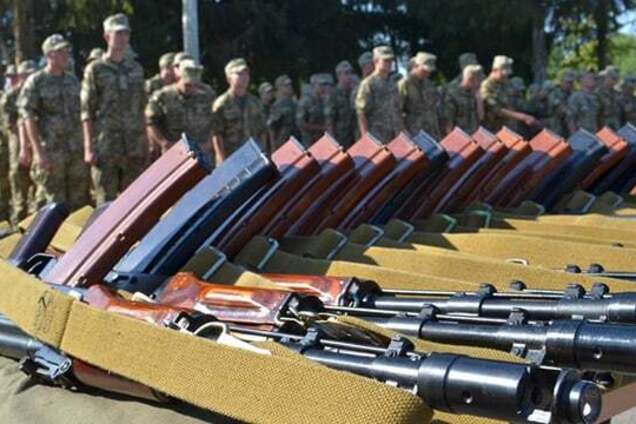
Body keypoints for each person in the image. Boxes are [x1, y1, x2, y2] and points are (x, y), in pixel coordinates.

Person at [81, 13, 146, 205]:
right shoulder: (95, 69)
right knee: (105, 203)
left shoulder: (136, 69)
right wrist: (88, 148)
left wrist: (144, 141)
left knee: (134, 202)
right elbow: (86, 111)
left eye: (125, 33)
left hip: (132, 146)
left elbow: (141, 107)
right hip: (106, 146)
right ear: (106, 36)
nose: (122, 38)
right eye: (118, 33)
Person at [18, 34, 88, 211]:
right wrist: (38, 152)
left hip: (74, 152)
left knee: (78, 203)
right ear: (49, 55)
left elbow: (81, 113)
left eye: (66, 51)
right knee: (51, 206)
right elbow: (27, 117)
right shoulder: (36, 81)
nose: (66, 55)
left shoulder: (72, 80)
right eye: (60, 52)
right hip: (50, 153)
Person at [145, 59, 216, 164]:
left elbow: (217, 122)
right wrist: (163, 142)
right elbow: (150, 122)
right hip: (173, 154)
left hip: (201, 153)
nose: (191, 89)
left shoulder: (207, 96)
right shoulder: (163, 96)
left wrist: (209, 142)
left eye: (195, 85)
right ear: (179, 78)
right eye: (187, 85)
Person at [1, 60, 36, 224]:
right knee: (18, 183)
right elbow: (11, 125)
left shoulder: (35, 91)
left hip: (34, 140)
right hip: (16, 142)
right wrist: (25, 142)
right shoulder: (11, 96)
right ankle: (17, 222)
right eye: (26, 74)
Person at [212, 58, 266, 161]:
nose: (244, 77)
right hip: (231, 158)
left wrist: (262, 154)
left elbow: (262, 131)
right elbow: (216, 135)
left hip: (253, 157)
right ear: (229, 78)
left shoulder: (255, 102)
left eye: (246, 73)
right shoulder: (221, 104)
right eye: (239, 74)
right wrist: (222, 161)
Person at [355, 45, 402, 142]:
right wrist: (365, 138)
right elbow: (361, 113)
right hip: (376, 136)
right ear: (376, 61)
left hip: (394, 136)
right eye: (385, 61)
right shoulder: (368, 83)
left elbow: (397, 110)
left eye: (390, 61)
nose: (389, 64)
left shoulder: (392, 84)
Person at [480, 55, 538, 133]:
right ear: (494, 70)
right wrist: (522, 117)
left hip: (510, 130)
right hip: (495, 131)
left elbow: (516, 102)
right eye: (503, 74)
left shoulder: (507, 84)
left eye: (507, 74)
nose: (506, 76)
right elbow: (496, 109)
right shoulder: (486, 86)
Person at [398, 52, 441, 139]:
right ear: (416, 66)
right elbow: (397, 111)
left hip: (432, 133)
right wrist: (403, 131)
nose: (427, 74)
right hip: (414, 133)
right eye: (424, 71)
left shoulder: (429, 85)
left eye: (429, 72)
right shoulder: (404, 84)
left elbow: (434, 109)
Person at [443, 64, 484, 135]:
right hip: (459, 136)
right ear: (470, 79)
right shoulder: (452, 94)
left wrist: (478, 98)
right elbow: (448, 121)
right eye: (478, 80)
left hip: (473, 135)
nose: (479, 83)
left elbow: (481, 117)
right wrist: (450, 139)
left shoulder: (474, 94)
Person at [326, 60, 356, 147]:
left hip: (354, 138)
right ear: (339, 75)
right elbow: (329, 122)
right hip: (341, 140)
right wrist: (333, 143)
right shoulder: (333, 95)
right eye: (346, 73)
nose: (349, 76)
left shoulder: (354, 92)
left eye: (351, 73)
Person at [297, 73, 331, 146]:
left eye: (324, 85)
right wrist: (320, 128)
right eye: (320, 85)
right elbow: (300, 123)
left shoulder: (324, 100)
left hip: (323, 140)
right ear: (313, 86)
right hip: (309, 142)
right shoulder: (306, 102)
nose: (323, 88)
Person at [268, 74, 299, 150]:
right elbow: (271, 126)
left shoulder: (293, 103)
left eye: (290, 84)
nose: (290, 87)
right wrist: (273, 147)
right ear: (280, 88)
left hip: (296, 141)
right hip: (283, 143)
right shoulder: (278, 105)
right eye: (286, 85)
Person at [546, 69, 576, 136]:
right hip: (556, 124)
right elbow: (559, 108)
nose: (569, 85)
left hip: (569, 125)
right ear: (562, 81)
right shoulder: (554, 93)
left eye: (571, 83)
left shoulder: (574, 95)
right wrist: (568, 112)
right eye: (567, 82)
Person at [596, 66, 621, 130]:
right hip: (603, 127)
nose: (615, 81)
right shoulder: (598, 93)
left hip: (616, 125)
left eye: (616, 79)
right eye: (613, 78)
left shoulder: (617, 93)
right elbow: (595, 114)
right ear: (607, 77)